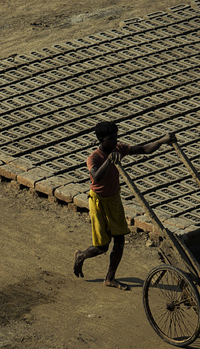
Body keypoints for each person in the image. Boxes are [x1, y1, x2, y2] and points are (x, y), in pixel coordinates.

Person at [73, 122, 176, 290]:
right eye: (110, 138)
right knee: (102, 247)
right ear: (100, 139)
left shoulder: (119, 148)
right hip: (98, 202)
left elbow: (144, 149)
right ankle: (81, 256)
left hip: (114, 199)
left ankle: (110, 278)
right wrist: (109, 161)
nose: (114, 141)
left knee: (119, 241)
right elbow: (96, 177)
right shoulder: (94, 158)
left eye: (116, 137)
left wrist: (162, 140)